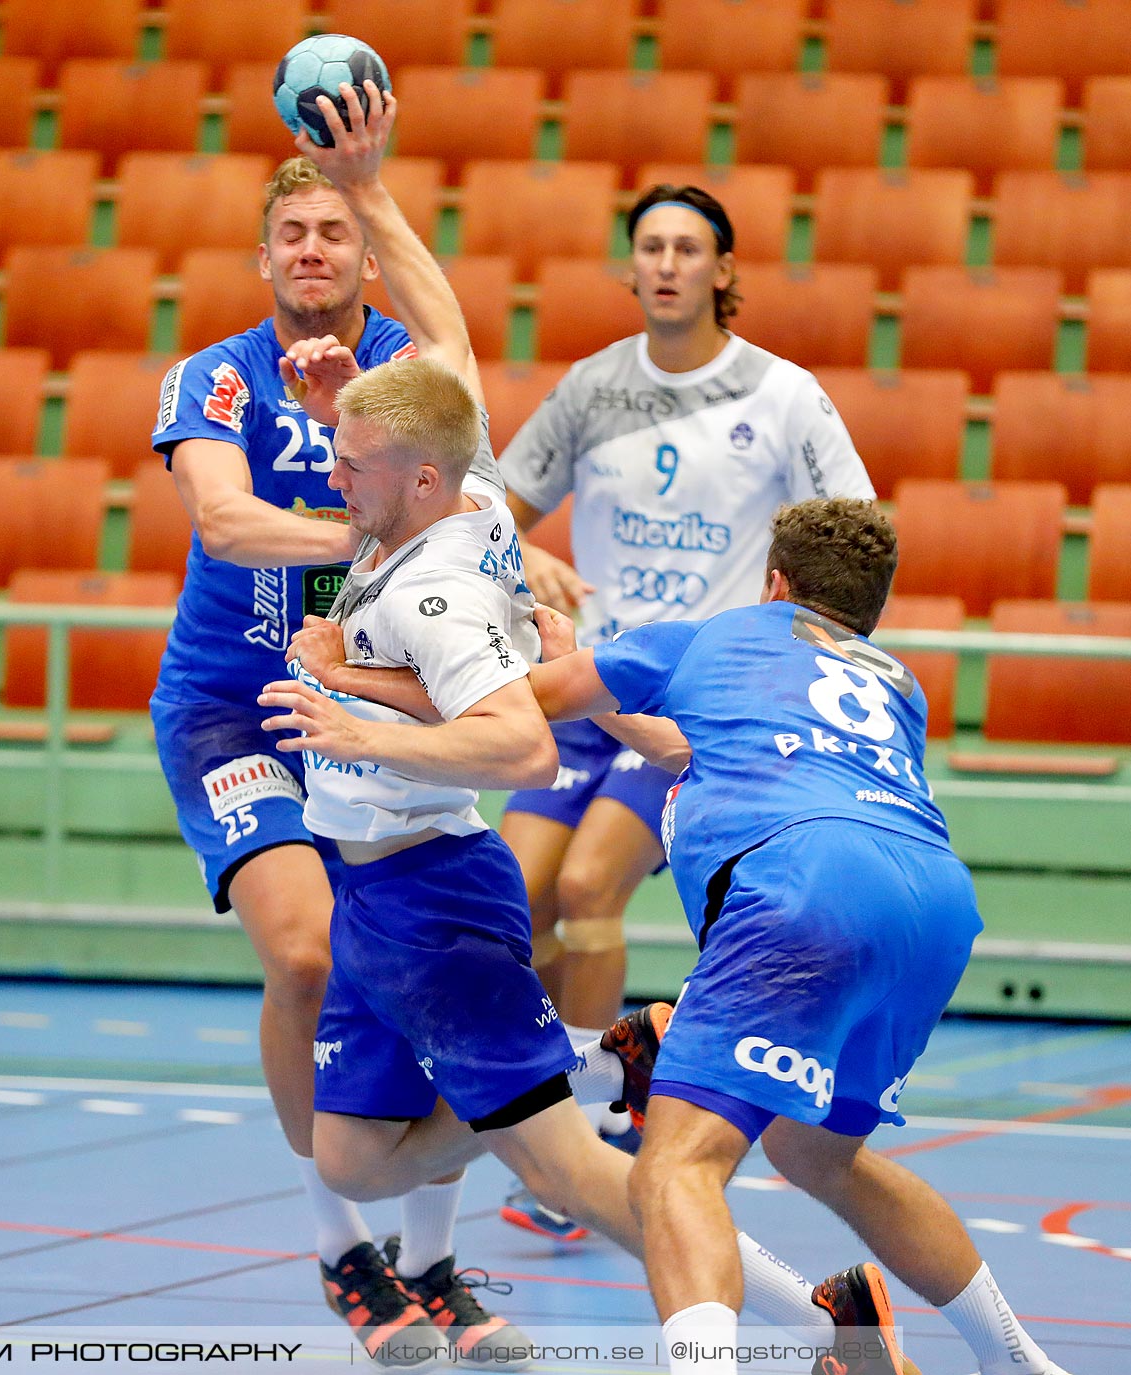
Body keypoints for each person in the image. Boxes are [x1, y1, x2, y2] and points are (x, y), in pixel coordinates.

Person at [260, 86, 920, 1375]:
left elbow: (505, 735)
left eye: (345, 450)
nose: (328, 463)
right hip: (434, 821)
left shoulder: (443, 565)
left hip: (561, 763)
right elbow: (445, 377)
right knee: (365, 1143)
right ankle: (584, 1071)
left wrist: (350, 714)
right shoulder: (444, 499)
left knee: (570, 1151)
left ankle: (778, 1285)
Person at [526, 497, 1073, 1375]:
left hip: (802, 881)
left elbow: (533, 701)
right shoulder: (897, 683)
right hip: (930, 901)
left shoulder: (722, 633)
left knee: (673, 1166)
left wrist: (532, 661)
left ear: (775, 582)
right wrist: (608, 704)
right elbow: (694, 747)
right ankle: (1019, 1362)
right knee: (819, 1152)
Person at [148, 102, 528, 1361]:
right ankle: (342, 1252)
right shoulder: (218, 376)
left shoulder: (404, 382)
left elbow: (464, 364)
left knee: (428, 969)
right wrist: (379, 545)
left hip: (377, 706)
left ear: (363, 255)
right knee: (309, 952)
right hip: (239, 709)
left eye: (332, 229)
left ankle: (433, 1262)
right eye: (290, 233)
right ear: (263, 262)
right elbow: (225, 523)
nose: (311, 248)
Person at [496, 183, 876, 1240]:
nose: (666, 263)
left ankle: (601, 1135)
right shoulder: (591, 389)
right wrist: (524, 552)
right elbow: (492, 508)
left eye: (687, 247)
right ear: (632, 267)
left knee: (587, 882)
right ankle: (551, 1122)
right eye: (649, 246)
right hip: (587, 683)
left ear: (722, 269)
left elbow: (857, 528)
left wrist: (787, 638)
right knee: (517, 904)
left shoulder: (783, 394)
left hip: (694, 699)